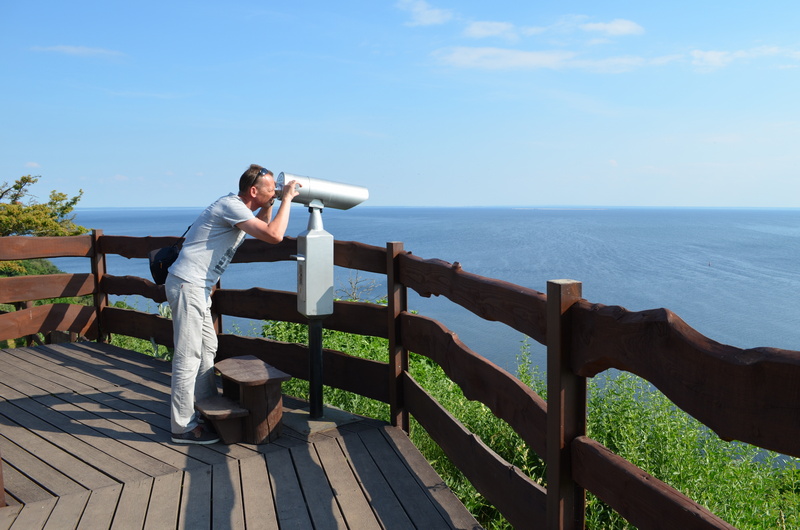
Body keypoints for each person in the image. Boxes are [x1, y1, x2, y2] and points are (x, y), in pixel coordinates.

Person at [166, 164, 300, 444]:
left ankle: (202, 407)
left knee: (207, 348)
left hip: (196, 287)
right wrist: (287, 199)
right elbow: (274, 236)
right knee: (188, 355)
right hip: (188, 284)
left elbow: (262, 227)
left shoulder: (237, 207)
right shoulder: (231, 206)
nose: (274, 190)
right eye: (269, 188)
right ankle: (182, 427)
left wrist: (272, 203)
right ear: (253, 191)